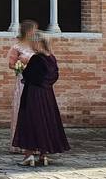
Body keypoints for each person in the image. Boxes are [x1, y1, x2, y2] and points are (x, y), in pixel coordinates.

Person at [13, 35, 69, 166]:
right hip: (47, 95)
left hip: (33, 94)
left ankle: (29, 155)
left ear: (39, 44)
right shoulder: (52, 58)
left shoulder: (36, 59)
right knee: (45, 121)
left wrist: (24, 67)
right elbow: (54, 76)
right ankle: (43, 155)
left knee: (30, 121)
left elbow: (29, 75)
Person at [7, 20, 38, 153]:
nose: (35, 32)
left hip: (36, 81)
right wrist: (21, 67)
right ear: (27, 31)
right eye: (33, 30)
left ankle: (35, 144)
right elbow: (11, 64)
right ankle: (20, 143)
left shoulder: (36, 46)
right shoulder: (17, 47)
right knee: (21, 109)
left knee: (35, 110)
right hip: (23, 81)